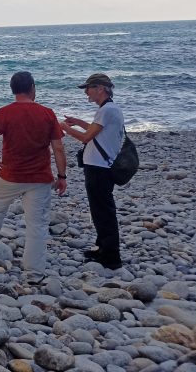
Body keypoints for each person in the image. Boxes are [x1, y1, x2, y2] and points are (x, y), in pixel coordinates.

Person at [0, 71, 67, 283]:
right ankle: (34, 273)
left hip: (10, 174)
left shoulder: (4, 113)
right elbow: (58, 148)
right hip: (40, 177)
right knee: (36, 223)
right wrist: (62, 176)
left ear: (13, 90)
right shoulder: (47, 113)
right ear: (32, 88)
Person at [61, 73, 124, 270]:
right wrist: (77, 122)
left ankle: (111, 256)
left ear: (101, 88)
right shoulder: (109, 109)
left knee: (103, 210)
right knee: (100, 209)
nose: (86, 92)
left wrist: (64, 128)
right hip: (100, 166)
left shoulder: (107, 110)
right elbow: (96, 130)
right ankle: (103, 248)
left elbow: (87, 137)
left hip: (99, 167)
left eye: (88, 88)